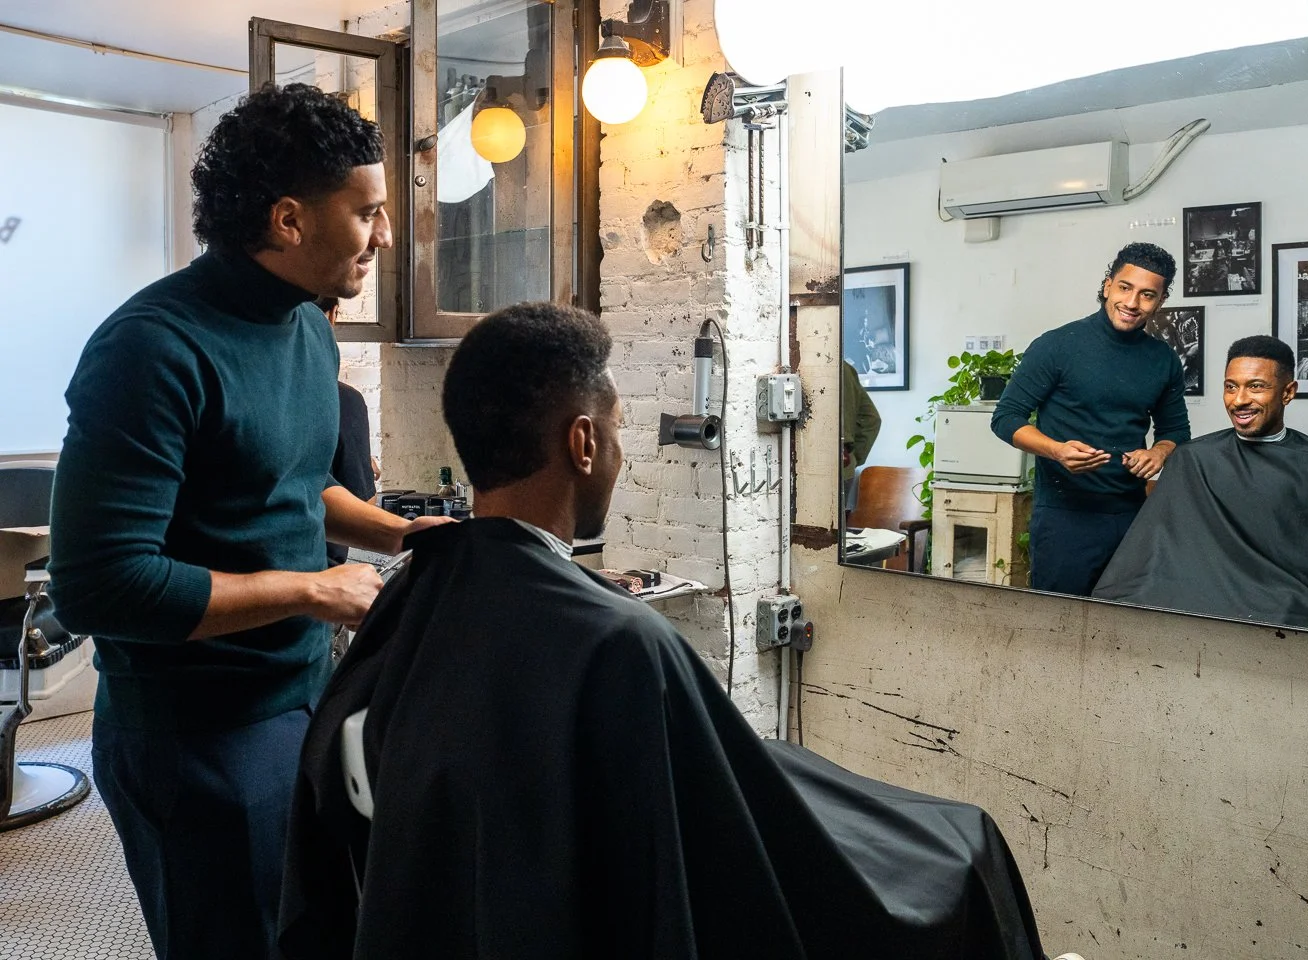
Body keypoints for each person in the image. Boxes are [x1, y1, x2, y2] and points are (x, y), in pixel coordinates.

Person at [279, 301, 1049, 960]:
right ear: (583, 443)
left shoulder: (425, 587)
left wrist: (579, 586)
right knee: (960, 847)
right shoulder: (619, 641)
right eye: (615, 430)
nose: (618, 453)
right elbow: (720, 854)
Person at [47, 84, 451, 959]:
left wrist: (396, 535)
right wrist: (313, 591)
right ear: (290, 220)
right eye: (369, 213)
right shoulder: (152, 349)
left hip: (304, 700)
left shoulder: (306, 327)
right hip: (195, 736)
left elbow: (288, 484)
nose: (385, 237)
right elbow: (99, 586)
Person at [1093, 336, 1308, 633]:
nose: (1239, 400)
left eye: (1256, 386)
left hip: (1279, 613)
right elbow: (1152, 554)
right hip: (1197, 603)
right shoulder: (1193, 458)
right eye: (1231, 386)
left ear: (1288, 392)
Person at [990, 242, 1191, 596]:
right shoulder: (1057, 345)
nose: (1131, 303)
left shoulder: (1164, 360)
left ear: (1160, 302)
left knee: (1125, 627)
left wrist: (1158, 453)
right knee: (1058, 628)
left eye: (1147, 295)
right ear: (1107, 286)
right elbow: (1006, 418)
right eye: (1125, 288)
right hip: (1065, 517)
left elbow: (1175, 430)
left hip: (1133, 516)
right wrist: (1055, 450)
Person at [315, 296, 379, 568]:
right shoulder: (342, 400)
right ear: (332, 315)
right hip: (318, 581)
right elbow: (364, 510)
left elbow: (309, 484)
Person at [841, 358, 882, 511]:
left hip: (820, 466)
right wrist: (853, 458)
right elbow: (872, 419)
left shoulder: (811, 368)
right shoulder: (845, 368)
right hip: (845, 462)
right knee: (833, 529)